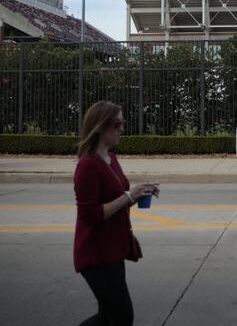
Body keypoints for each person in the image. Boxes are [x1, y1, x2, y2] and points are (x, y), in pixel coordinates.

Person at [73, 100, 160, 326]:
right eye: (117, 124)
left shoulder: (111, 158)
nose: (122, 128)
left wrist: (139, 193)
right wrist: (129, 196)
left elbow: (116, 202)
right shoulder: (87, 165)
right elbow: (90, 215)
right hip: (96, 254)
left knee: (107, 317)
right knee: (122, 317)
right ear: (100, 126)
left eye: (123, 123)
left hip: (113, 249)